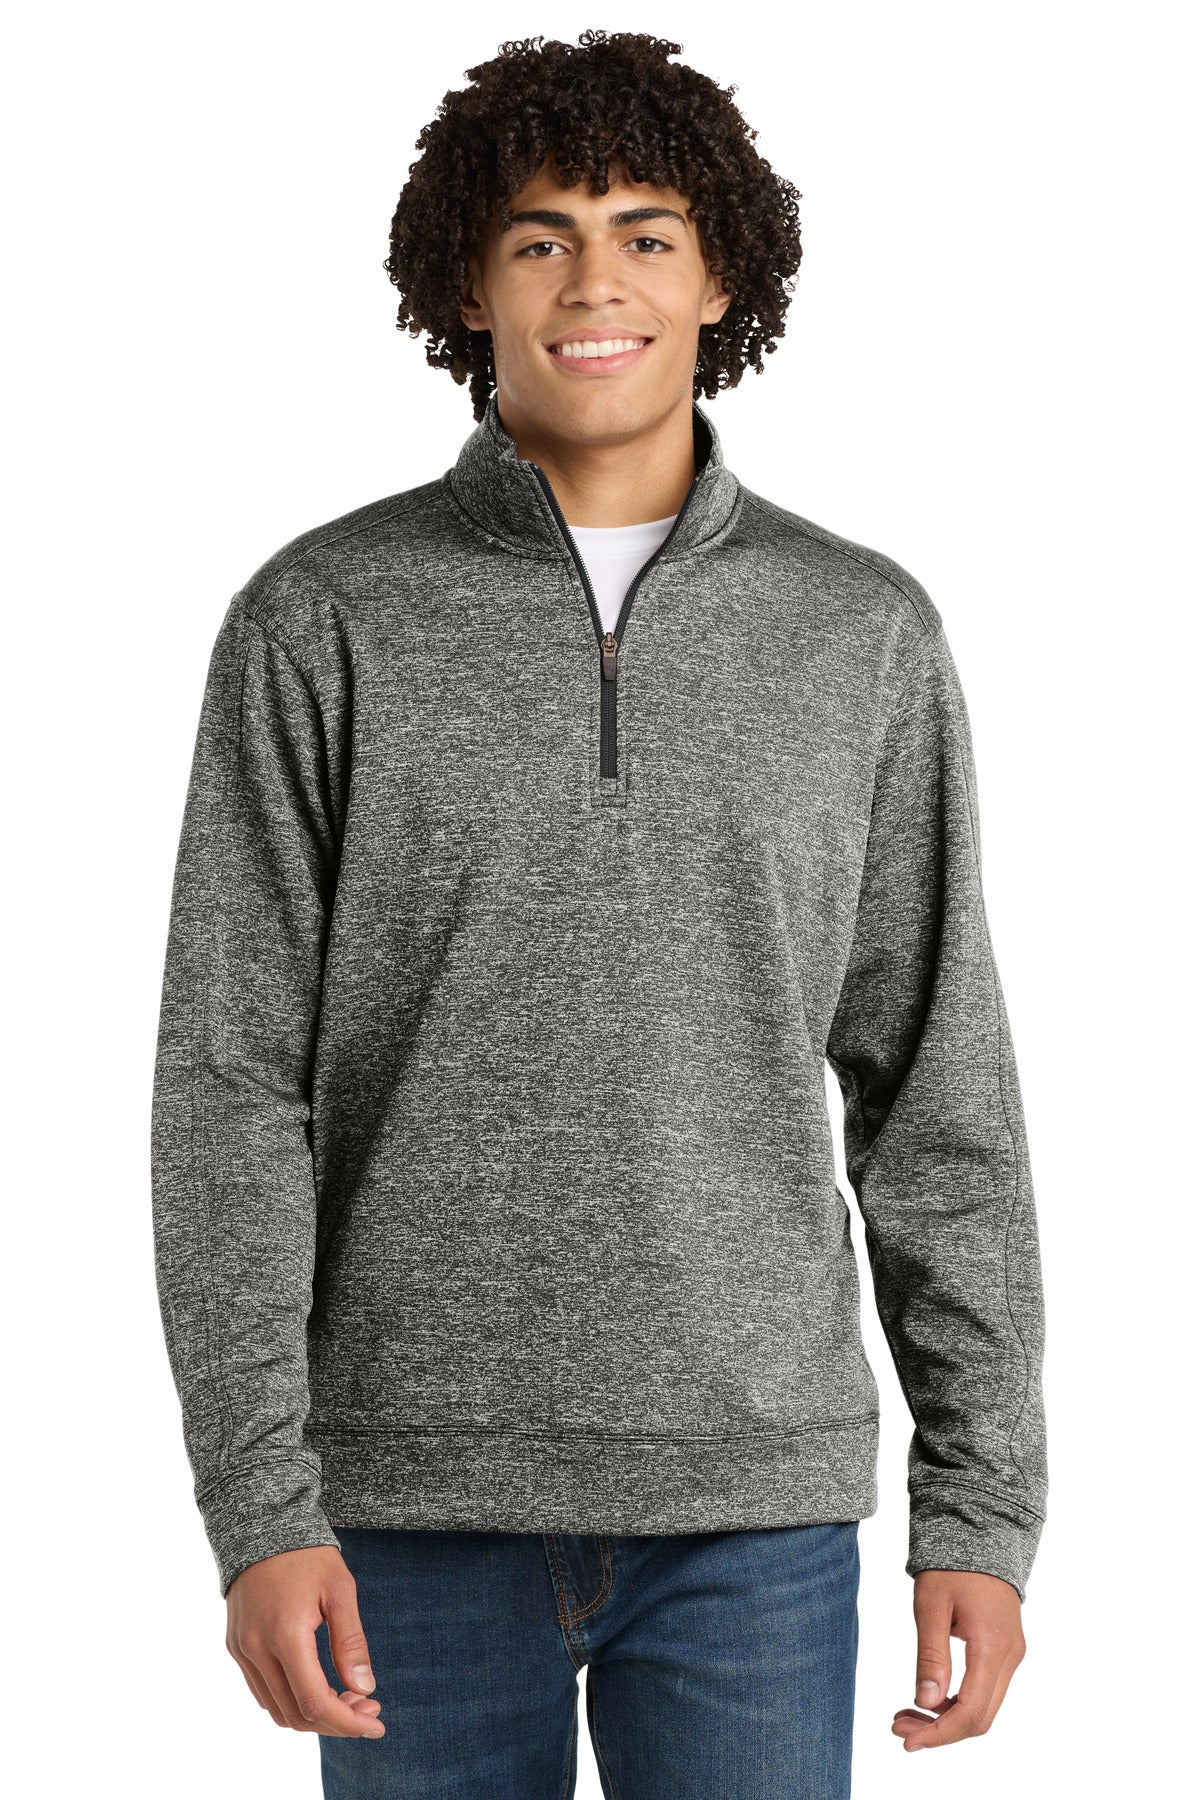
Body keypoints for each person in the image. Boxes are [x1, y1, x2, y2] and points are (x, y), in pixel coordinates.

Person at [150, 29, 1049, 1799]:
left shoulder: (858, 633)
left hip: (755, 1512)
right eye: (540, 238)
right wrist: (258, 1504)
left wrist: (982, 1505)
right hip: (401, 1511)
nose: (593, 283)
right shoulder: (320, 619)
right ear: (466, 285)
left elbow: (938, 1094)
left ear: (720, 278)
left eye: (646, 233)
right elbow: (231, 1089)